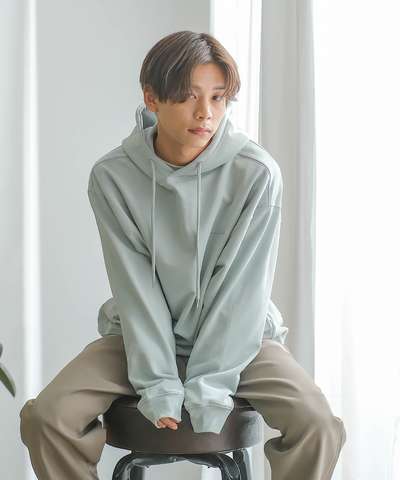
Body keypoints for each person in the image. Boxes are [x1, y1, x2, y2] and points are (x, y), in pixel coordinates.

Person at [19, 30, 346, 479]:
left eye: (218, 97)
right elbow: (136, 289)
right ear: (152, 98)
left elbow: (240, 294)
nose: (205, 112)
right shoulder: (113, 177)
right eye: (190, 96)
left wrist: (208, 390)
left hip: (242, 338)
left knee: (318, 425)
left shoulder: (256, 173)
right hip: (139, 336)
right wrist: (158, 385)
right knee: (46, 417)